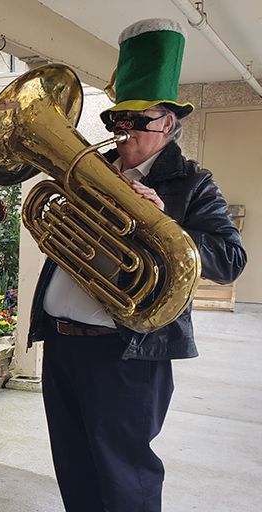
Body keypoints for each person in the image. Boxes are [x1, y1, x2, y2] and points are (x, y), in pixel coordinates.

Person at [28, 19, 247, 512]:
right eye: (115, 121)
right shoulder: (93, 171)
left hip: (126, 355)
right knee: (74, 465)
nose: (121, 133)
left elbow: (230, 260)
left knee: (126, 478)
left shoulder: (191, 183)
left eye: (136, 121)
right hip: (62, 345)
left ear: (167, 123)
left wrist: (159, 222)